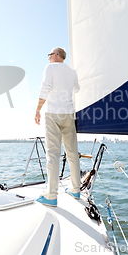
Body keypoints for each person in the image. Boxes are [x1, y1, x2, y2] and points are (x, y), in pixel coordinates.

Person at [34, 47, 81, 207]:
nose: (48, 58)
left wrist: (38, 109)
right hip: (69, 114)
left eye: (49, 55)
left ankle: (51, 196)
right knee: (72, 153)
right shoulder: (72, 72)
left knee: (53, 154)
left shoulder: (51, 67)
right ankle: (75, 189)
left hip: (53, 113)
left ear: (55, 55)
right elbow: (77, 89)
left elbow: (45, 87)